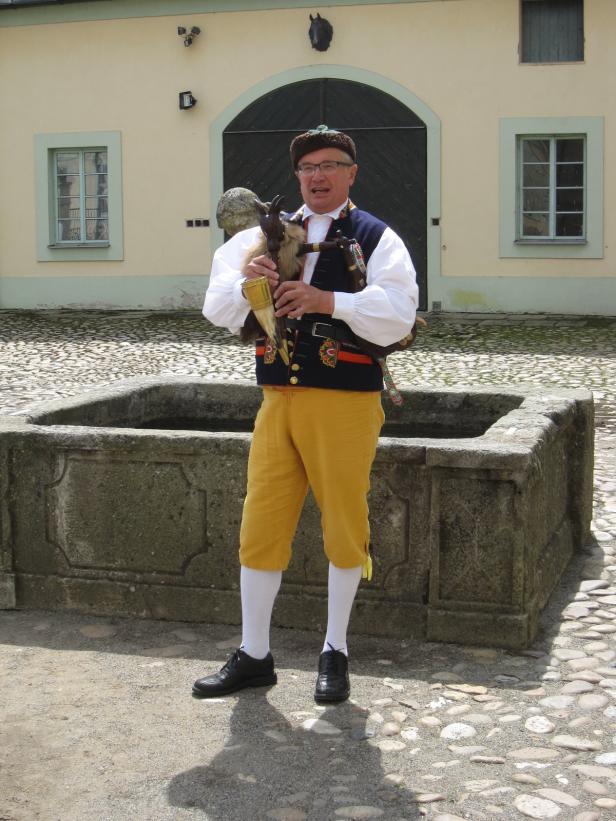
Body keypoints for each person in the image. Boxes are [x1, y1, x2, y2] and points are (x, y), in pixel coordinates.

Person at [194, 125, 418, 703]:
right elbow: (215, 308)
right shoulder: (266, 235)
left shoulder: (376, 236)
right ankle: (254, 654)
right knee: (260, 525)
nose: (318, 175)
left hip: (345, 402)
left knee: (345, 524)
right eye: (308, 167)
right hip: (277, 401)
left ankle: (335, 649)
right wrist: (250, 281)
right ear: (297, 175)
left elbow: (398, 315)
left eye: (331, 164)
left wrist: (328, 301)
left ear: (351, 173)